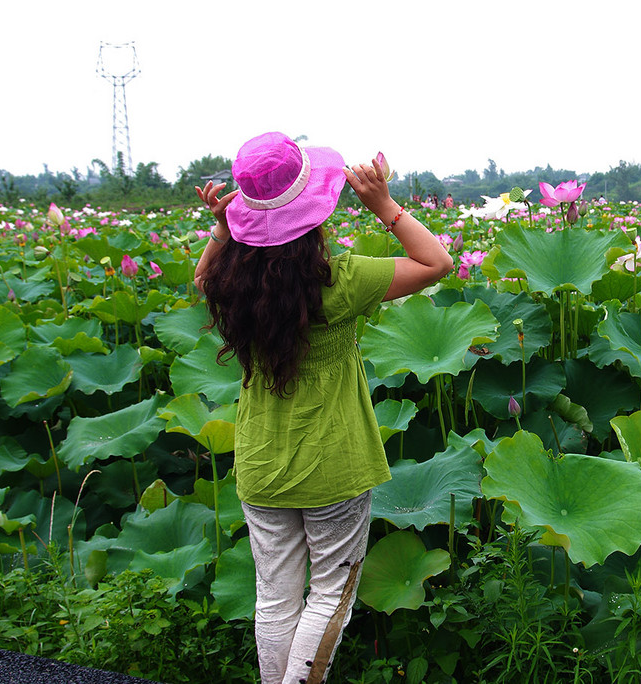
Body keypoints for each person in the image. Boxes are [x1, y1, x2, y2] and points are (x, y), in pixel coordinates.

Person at [193, 131, 453, 684]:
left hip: (262, 467)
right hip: (335, 467)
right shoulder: (343, 281)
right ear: (314, 211)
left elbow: (202, 275)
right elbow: (435, 263)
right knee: (330, 594)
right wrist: (384, 205)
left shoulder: (228, 285)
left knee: (275, 599)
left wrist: (222, 230)